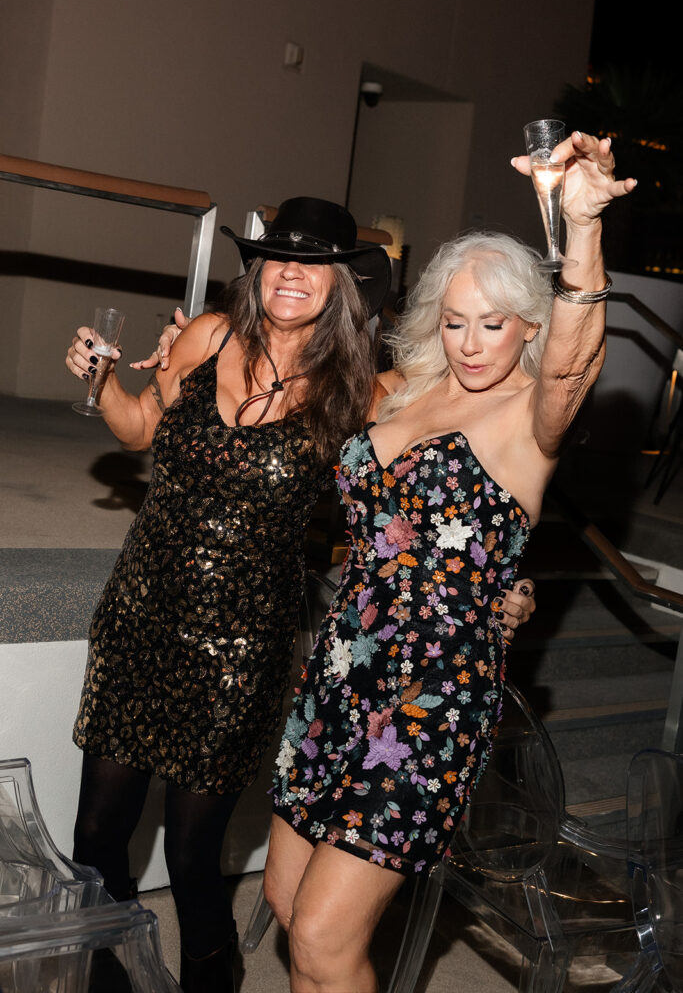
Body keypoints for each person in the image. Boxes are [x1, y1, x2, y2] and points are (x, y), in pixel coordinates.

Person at [65, 194, 539, 993]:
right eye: (276, 258)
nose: (290, 273)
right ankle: (106, 979)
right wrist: (105, 379)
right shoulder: (208, 336)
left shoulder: (363, 391)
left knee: (190, 852)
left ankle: (209, 978)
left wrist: (509, 579)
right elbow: (141, 427)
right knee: (96, 833)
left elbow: (466, 475)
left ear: (341, 285)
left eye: (312, 264)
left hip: (241, 644)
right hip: (141, 610)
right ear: (255, 273)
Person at [262, 132, 637, 993]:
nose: (471, 343)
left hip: (430, 700)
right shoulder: (404, 391)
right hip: (339, 672)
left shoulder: (529, 418)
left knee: (323, 938)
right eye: (455, 320)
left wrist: (581, 228)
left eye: (493, 324)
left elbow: (574, 365)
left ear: (529, 325)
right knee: (287, 905)